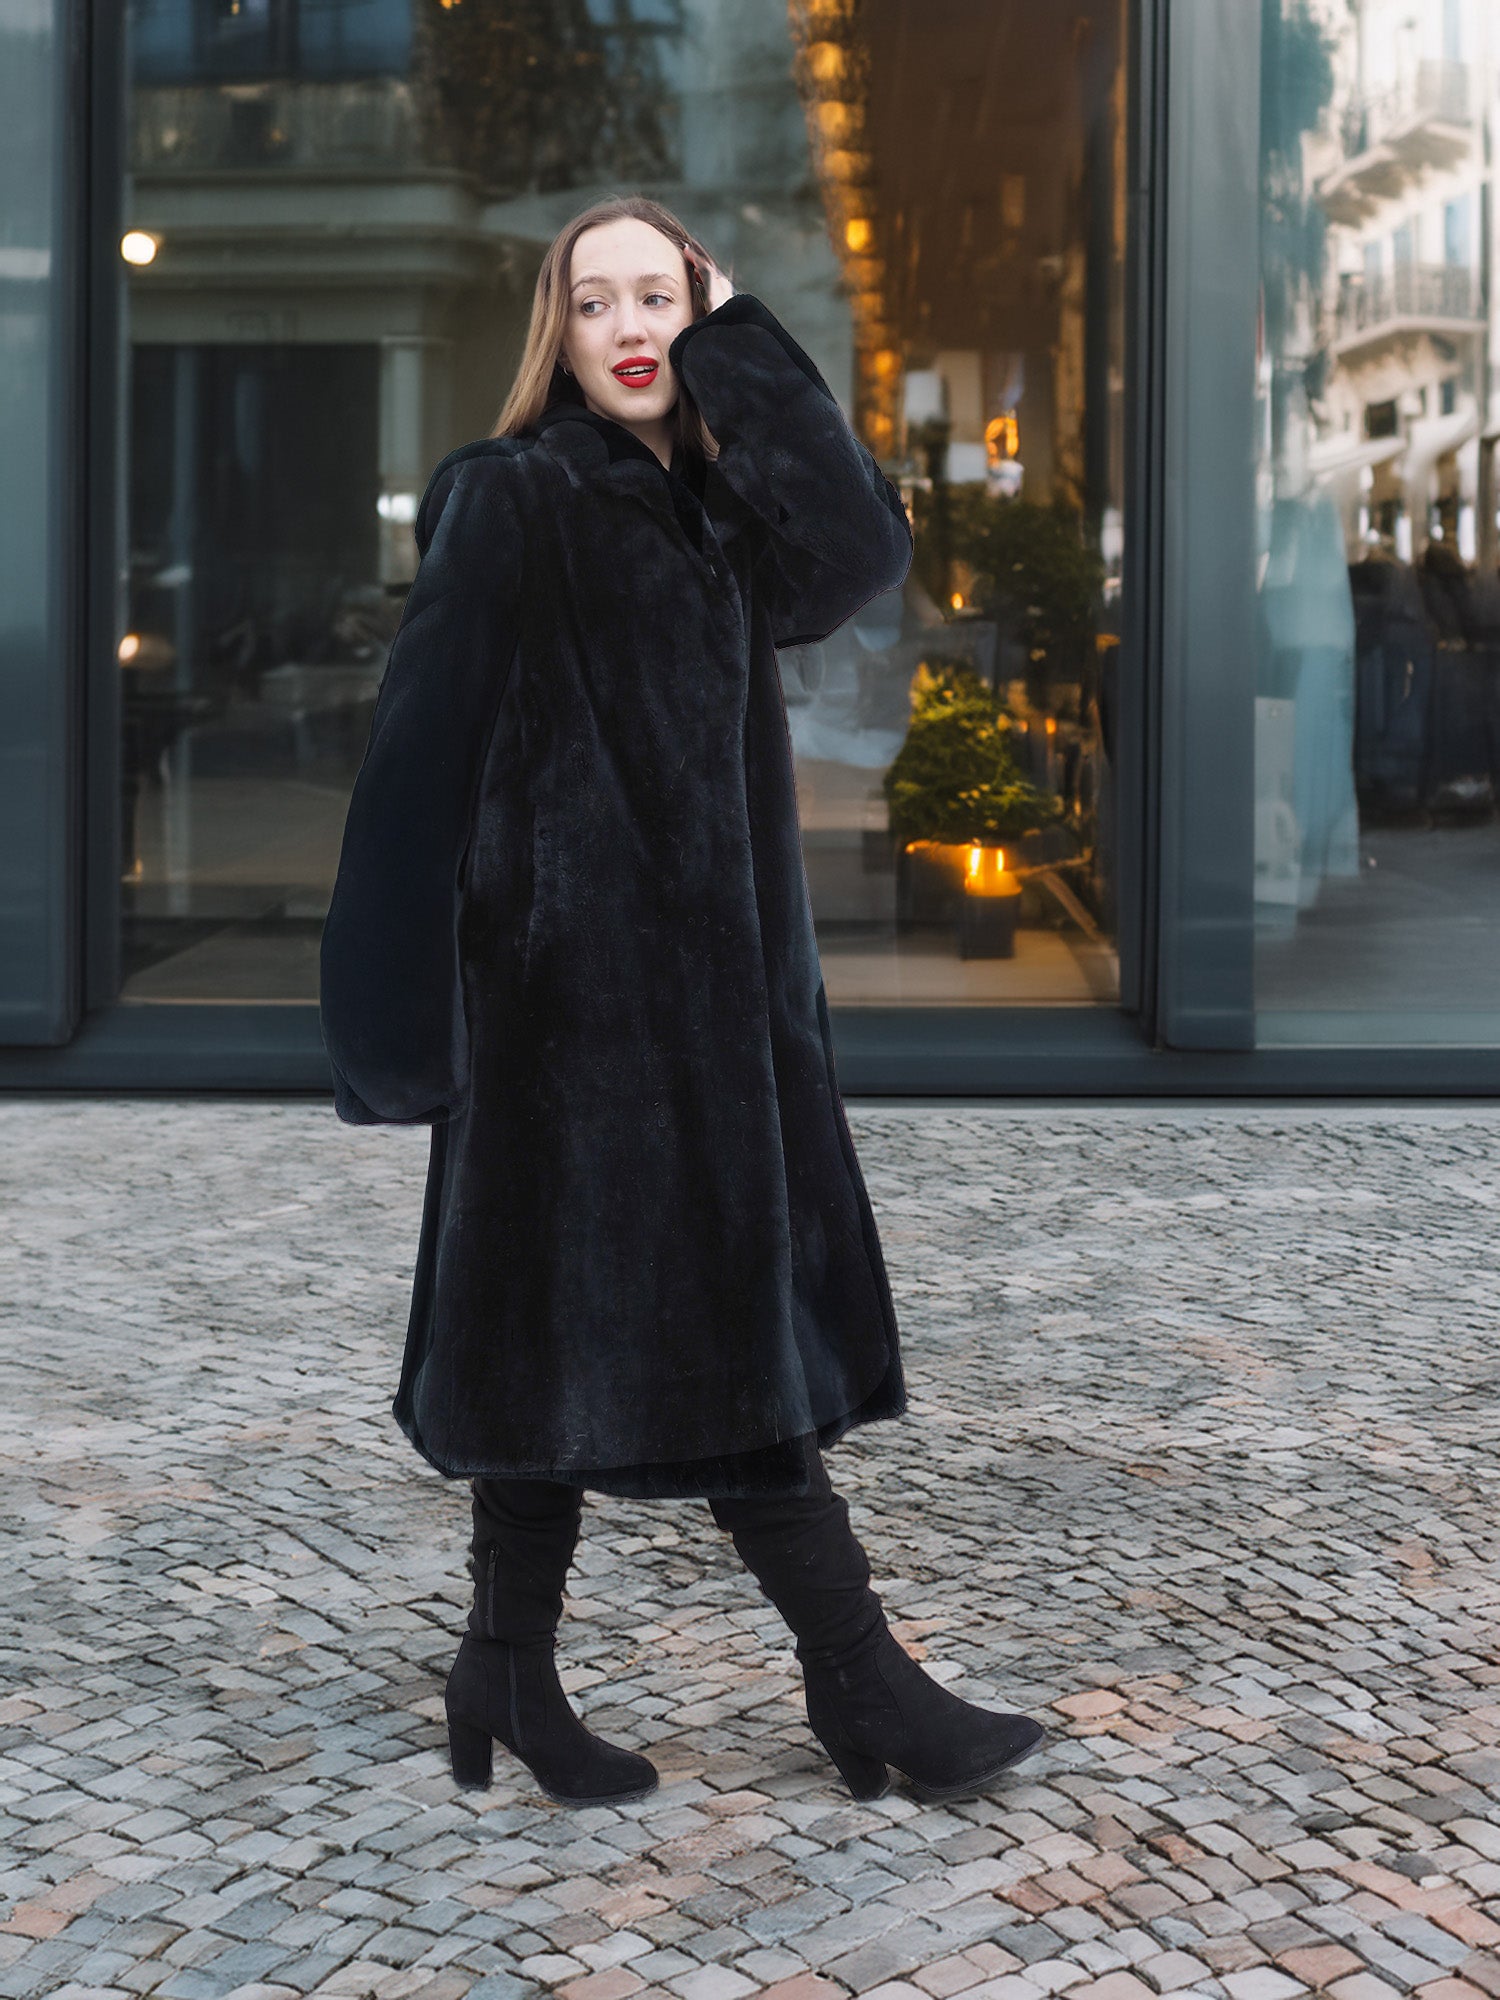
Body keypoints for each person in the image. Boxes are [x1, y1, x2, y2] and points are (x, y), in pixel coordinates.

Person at [320, 193, 1046, 1808]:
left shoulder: (723, 508)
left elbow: (862, 551)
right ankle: (865, 1687)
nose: (634, 326)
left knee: (546, 1348)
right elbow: (413, 767)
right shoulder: (510, 497)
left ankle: (504, 1668)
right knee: (719, 1355)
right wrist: (394, 1028)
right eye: (602, 302)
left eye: (665, 296)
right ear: (558, 336)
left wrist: (741, 343)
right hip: (568, 1024)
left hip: (726, 1024)